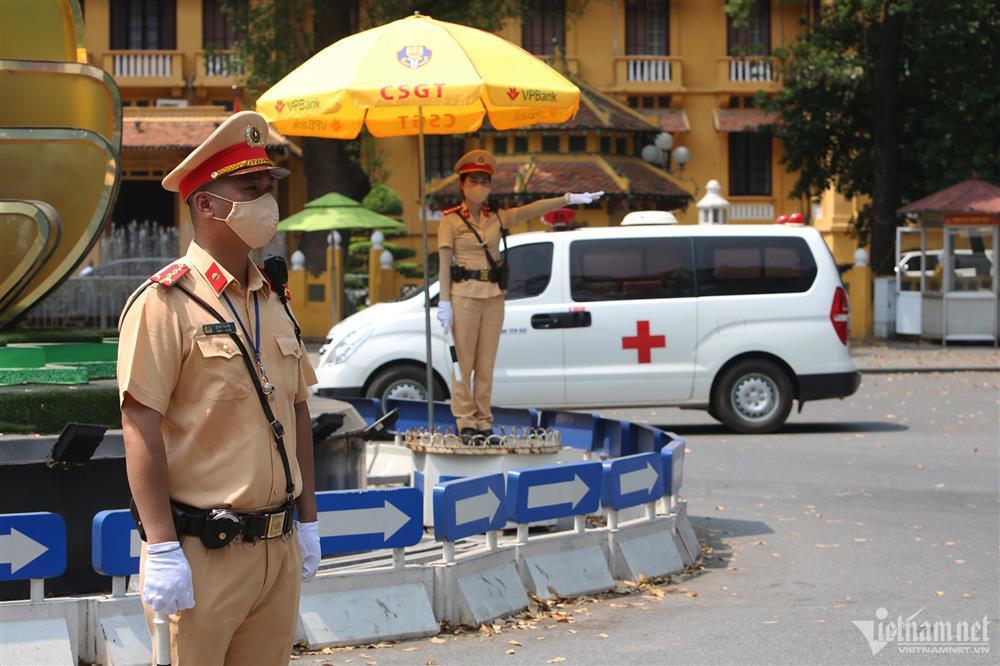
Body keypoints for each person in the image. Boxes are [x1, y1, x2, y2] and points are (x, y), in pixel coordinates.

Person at [116, 111, 321, 665]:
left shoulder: (271, 298)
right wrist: (160, 545)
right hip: (204, 550)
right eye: (249, 187)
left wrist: (307, 520)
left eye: (268, 187)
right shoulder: (165, 304)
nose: (266, 199)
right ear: (207, 205)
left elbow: (298, 408)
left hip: (277, 549)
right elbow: (139, 425)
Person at [436, 149, 603, 442]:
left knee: (486, 364)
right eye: (475, 180)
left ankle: (484, 421)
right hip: (463, 297)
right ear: (462, 184)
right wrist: (444, 302)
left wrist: (568, 199)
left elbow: (533, 209)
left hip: (493, 296)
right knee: (462, 364)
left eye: (486, 181)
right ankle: (465, 421)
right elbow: (443, 264)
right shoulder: (450, 221)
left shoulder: (496, 218)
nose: (481, 186)